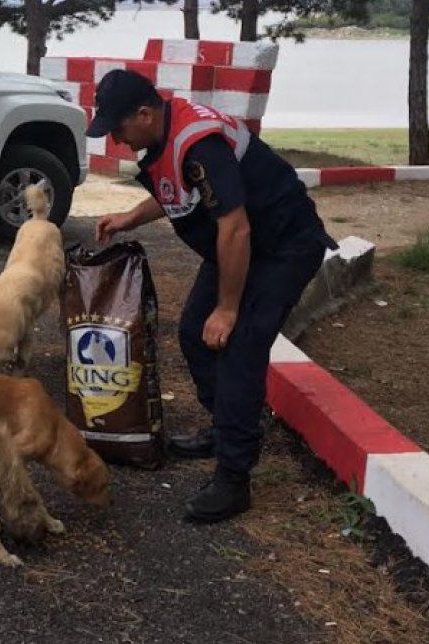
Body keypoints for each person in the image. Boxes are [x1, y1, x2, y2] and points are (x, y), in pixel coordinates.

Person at [88, 69, 335, 524]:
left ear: (144, 114)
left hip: (280, 247)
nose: (118, 141)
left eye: (119, 129)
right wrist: (129, 217)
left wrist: (227, 307)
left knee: (239, 346)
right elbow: (180, 190)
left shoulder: (199, 142)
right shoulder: (168, 137)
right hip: (244, 246)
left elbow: (235, 226)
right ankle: (224, 428)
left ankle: (234, 476)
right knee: (192, 334)